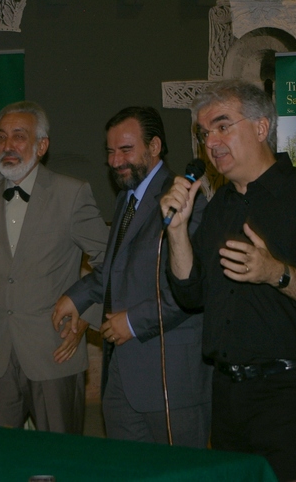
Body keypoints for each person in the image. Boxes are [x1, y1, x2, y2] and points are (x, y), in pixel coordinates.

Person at [160, 80, 296, 481]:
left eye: (222, 126)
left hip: (289, 390)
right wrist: (177, 231)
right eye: (203, 132)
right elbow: (191, 294)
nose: (210, 141)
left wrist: (274, 272)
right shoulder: (219, 208)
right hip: (228, 391)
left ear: (261, 127)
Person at [52, 106, 211, 445]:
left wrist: (134, 322)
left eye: (125, 149)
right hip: (120, 380)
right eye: (110, 151)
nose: (114, 161)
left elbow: (193, 290)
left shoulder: (186, 200)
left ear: (154, 147)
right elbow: (115, 269)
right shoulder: (127, 199)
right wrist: (77, 296)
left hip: (172, 383)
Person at [0, 101, 108, 434]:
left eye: (19, 137)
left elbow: (110, 260)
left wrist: (86, 317)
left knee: (60, 459)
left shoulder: (71, 193)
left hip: (55, 351)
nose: (8, 146)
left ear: (42, 145)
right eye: (2, 137)